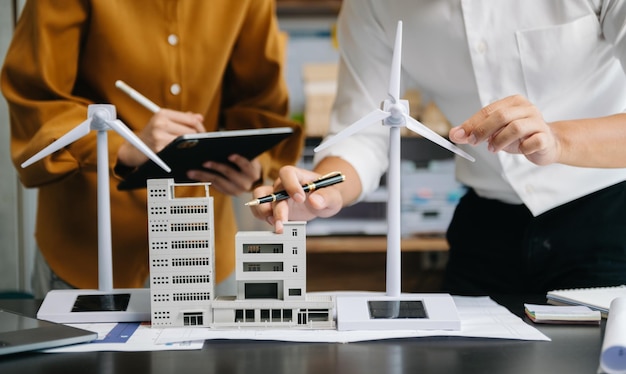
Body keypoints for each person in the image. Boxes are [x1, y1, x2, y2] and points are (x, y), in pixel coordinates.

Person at [249, 0, 626, 296]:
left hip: (608, 217)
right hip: (486, 229)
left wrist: (558, 140)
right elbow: (362, 131)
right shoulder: (373, 5)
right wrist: (322, 189)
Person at [1, 0, 304, 298]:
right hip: (85, 255)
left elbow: (260, 104)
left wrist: (252, 165)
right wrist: (126, 145)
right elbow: (36, 100)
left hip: (204, 251)